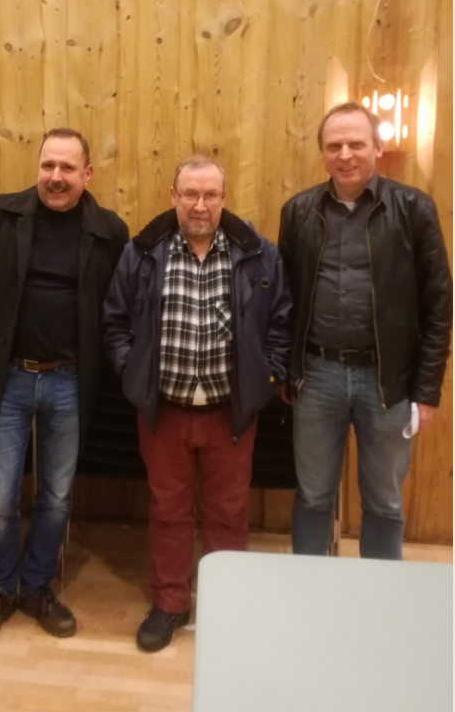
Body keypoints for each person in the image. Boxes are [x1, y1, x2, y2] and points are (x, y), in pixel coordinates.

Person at [103, 155, 291, 652]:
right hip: (163, 411)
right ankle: (170, 602)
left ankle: (226, 604)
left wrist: (267, 376)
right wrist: (131, 369)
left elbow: (281, 323)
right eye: (190, 194)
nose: (200, 205)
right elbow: (115, 321)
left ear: (224, 199)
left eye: (210, 195)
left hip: (231, 413)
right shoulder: (142, 253)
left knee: (228, 512)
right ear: (174, 197)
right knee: (168, 511)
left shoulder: (258, 255)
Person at [0, 128, 128, 644]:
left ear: (88, 174)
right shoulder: (1, 214)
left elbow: (115, 301)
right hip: (9, 376)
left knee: (56, 496)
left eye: (67, 168)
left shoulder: (109, 230)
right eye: (47, 165)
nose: (55, 177)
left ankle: (36, 587)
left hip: (71, 380)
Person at [278, 101, 452, 560]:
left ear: (377, 146)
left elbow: (438, 303)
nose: (345, 155)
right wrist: (287, 370)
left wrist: (427, 390)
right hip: (317, 376)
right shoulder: (297, 212)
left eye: (356, 143)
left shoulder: (414, 209)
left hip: (389, 381)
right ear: (322, 153)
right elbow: (284, 299)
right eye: (334, 145)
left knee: (384, 502)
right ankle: (310, 589)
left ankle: (380, 594)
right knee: (313, 495)